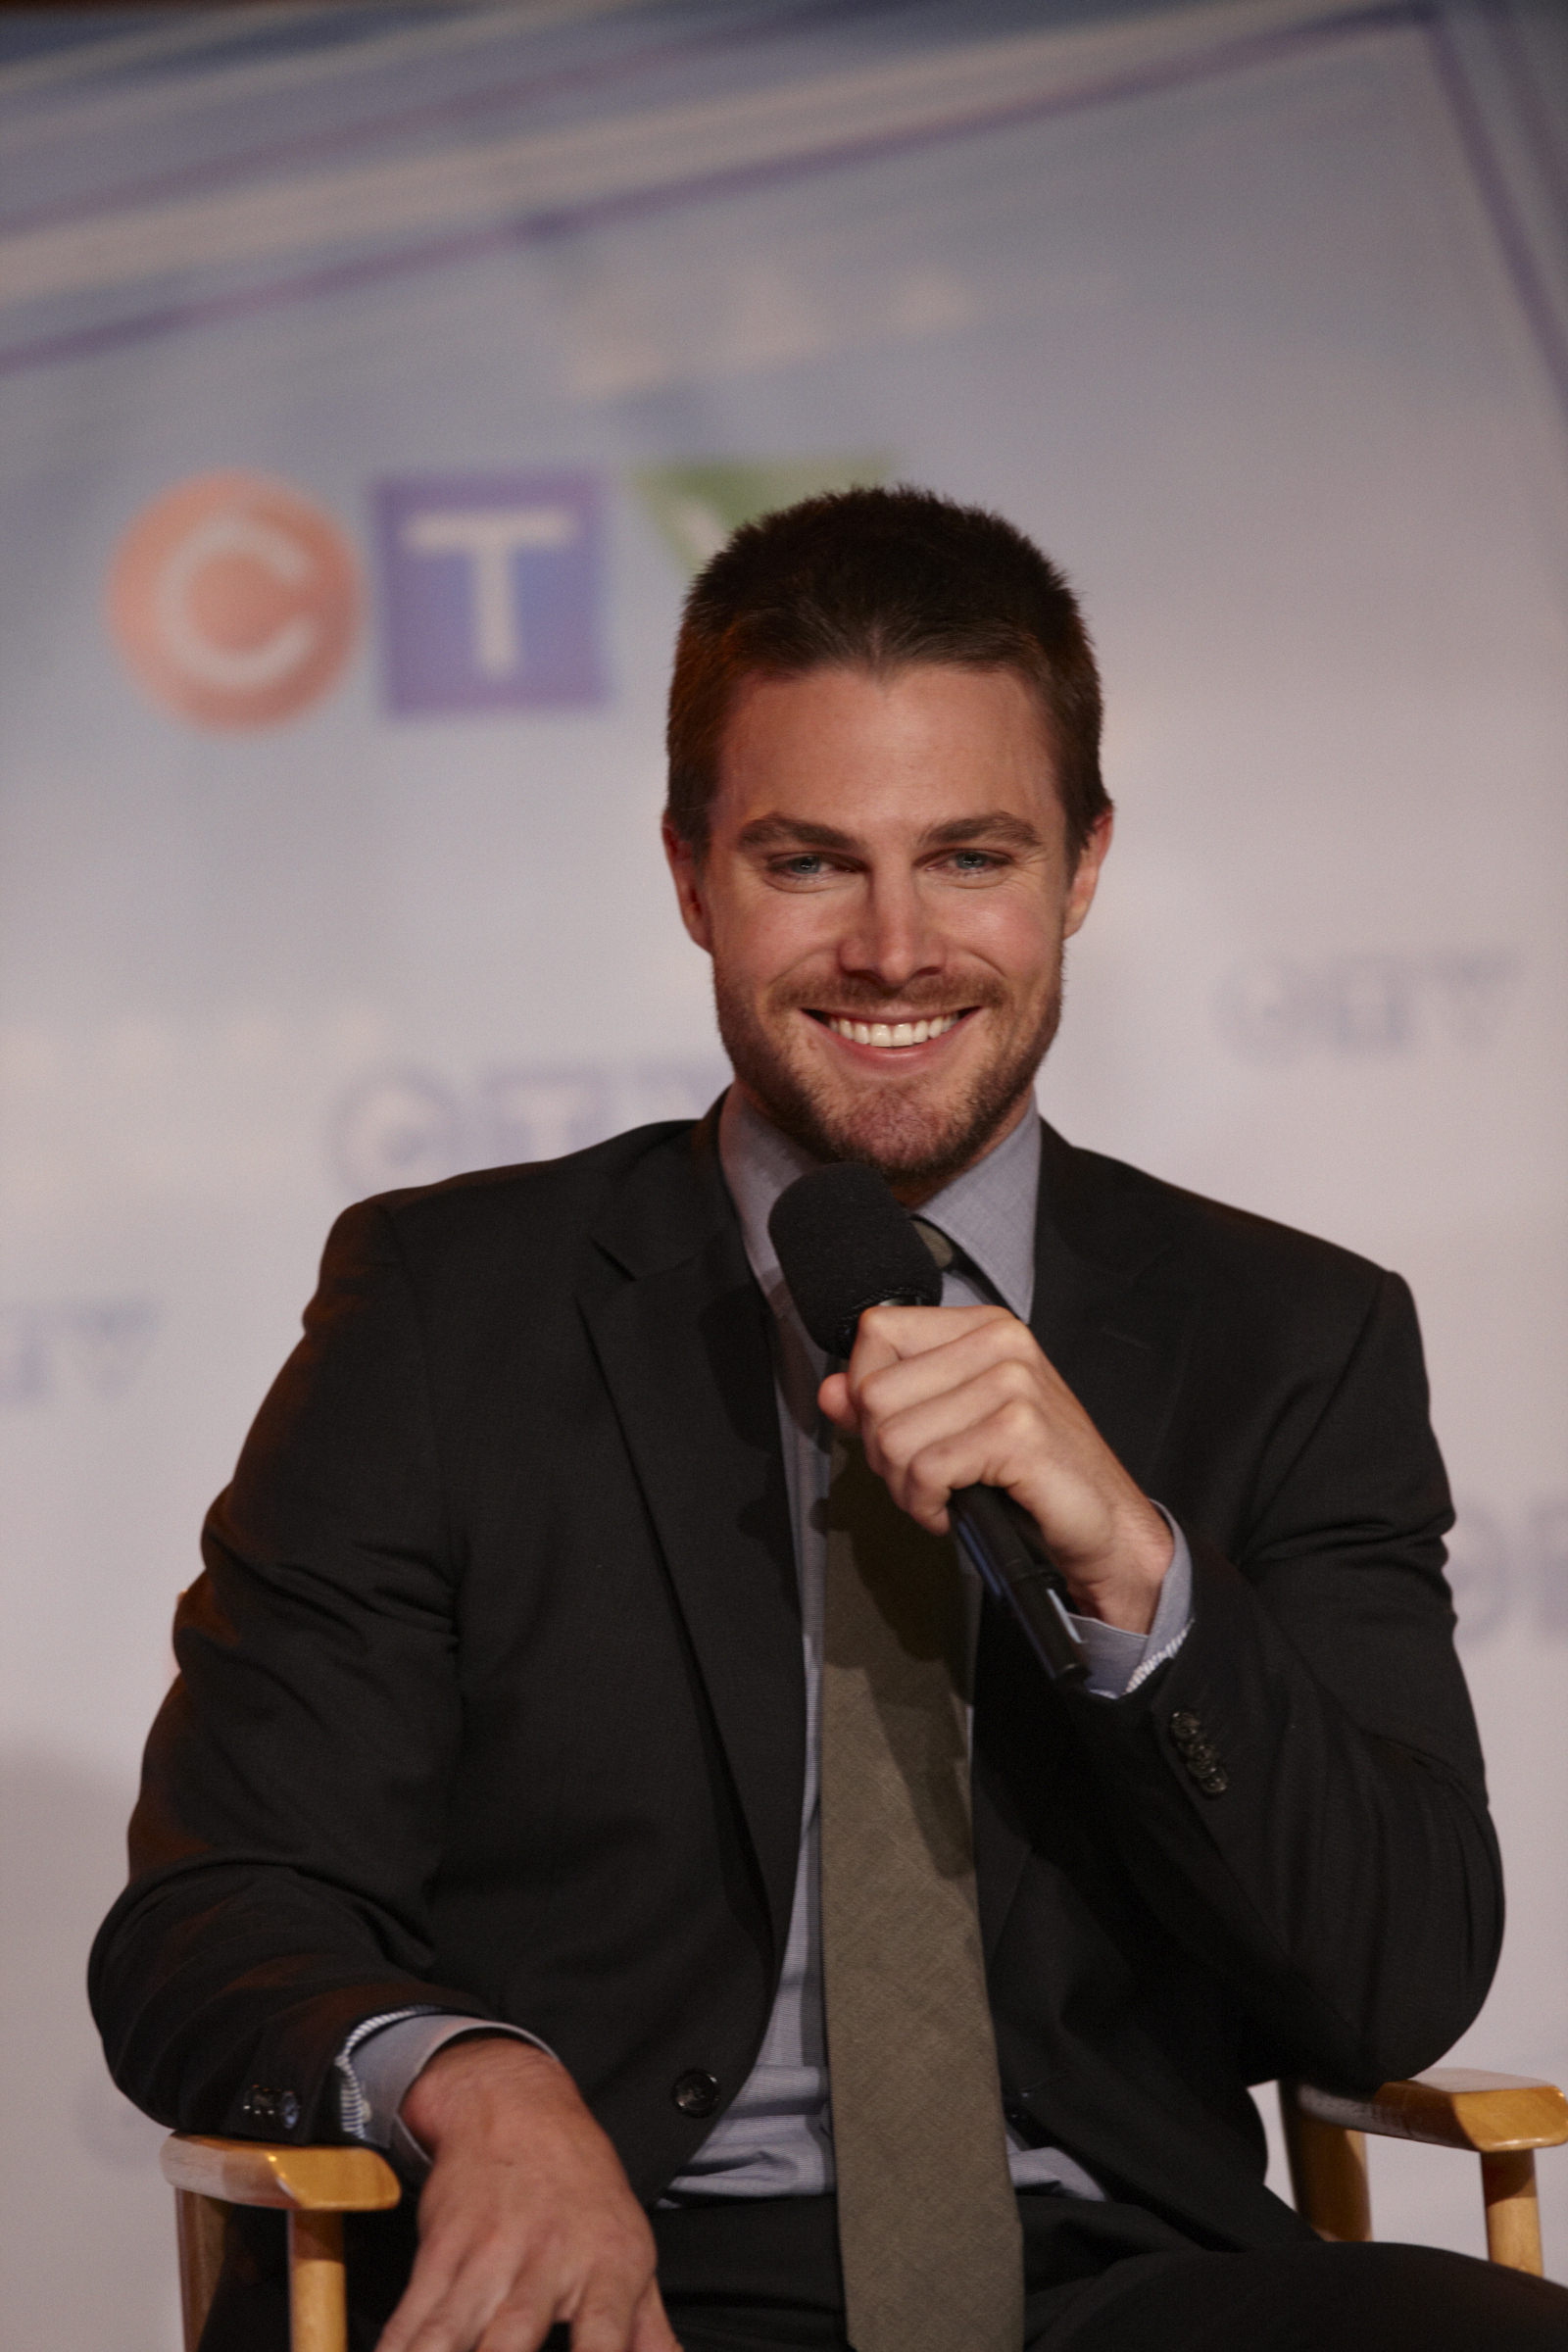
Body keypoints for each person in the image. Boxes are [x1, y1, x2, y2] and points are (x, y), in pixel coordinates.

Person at [91, 489, 1567, 2351]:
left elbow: (1393, 1979)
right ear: (690, 874)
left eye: (970, 856)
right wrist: (472, 2082)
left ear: (1084, 868)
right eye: (807, 862)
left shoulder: (1294, 1336)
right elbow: (215, 1913)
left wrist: (1138, 1576)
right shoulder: (447, 1309)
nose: (892, 948)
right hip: (617, 2275)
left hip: (1118, 2286)